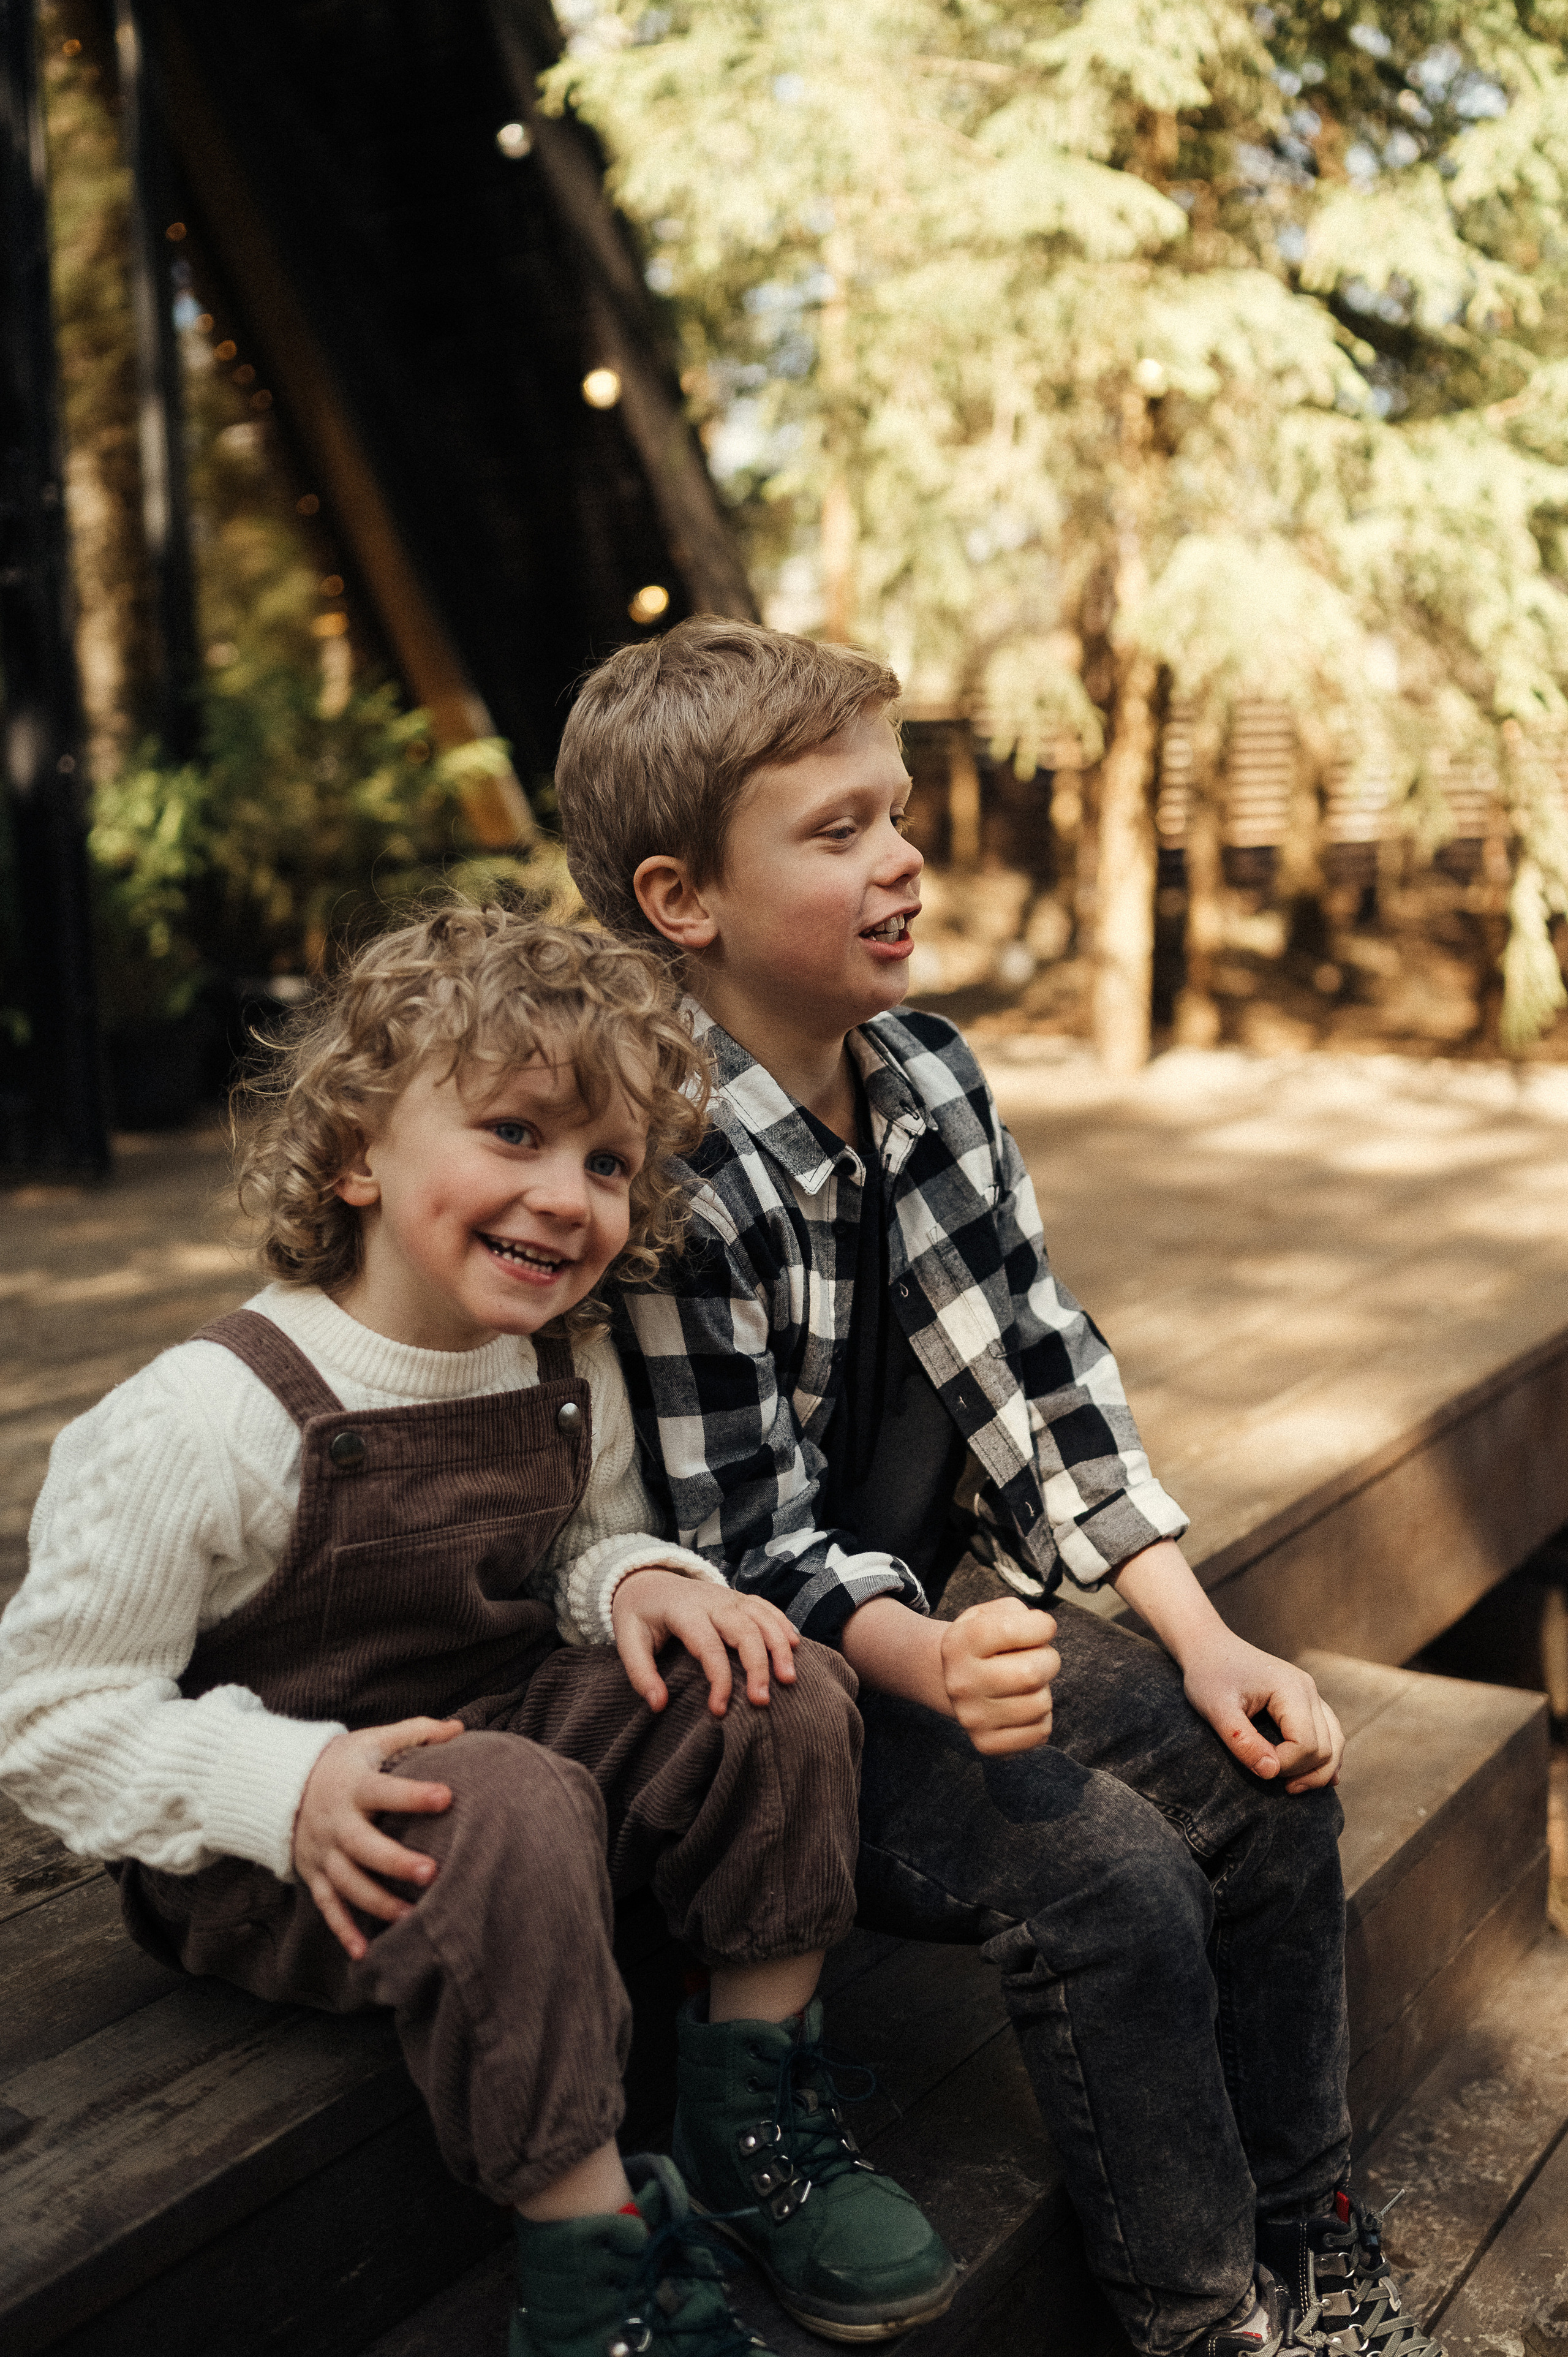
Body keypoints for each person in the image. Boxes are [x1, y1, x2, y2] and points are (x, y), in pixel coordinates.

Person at [555, 621, 1442, 2357]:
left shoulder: (930, 1077)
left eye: (898, 813)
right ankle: (1200, 2321)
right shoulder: (651, 1163)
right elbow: (742, 1544)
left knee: (1268, 1779)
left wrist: (1202, 1639)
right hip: (767, 1700)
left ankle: (1309, 2226)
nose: (903, 861)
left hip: (924, 1638)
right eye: (837, 833)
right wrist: (942, 1665)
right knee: (1105, 1878)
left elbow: (1045, 1378)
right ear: (682, 900)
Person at [0, 907, 957, 2357]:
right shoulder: (206, 1418)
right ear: (356, 1152)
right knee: (506, 1799)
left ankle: (752, 2114)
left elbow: (585, 1539)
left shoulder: (556, 1365)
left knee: (778, 1675)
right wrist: (285, 1786)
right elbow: (49, 1712)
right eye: (514, 1132)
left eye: (607, 1162)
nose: (566, 1195)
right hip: (283, 1850)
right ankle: (591, 2267)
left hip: (510, 1754)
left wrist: (640, 1584)